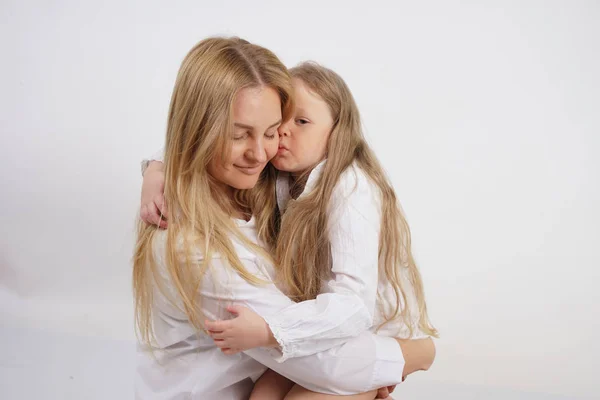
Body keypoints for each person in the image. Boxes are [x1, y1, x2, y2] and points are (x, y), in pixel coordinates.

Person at [134, 37, 431, 400]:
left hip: (322, 341)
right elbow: (328, 364)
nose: (262, 152)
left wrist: (156, 167)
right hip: (287, 361)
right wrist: (415, 354)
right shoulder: (195, 247)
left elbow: (348, 308)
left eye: (272, 131)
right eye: (239, 135)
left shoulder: (304, 186)